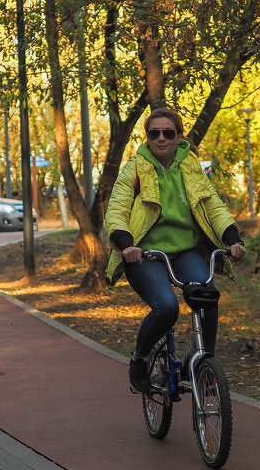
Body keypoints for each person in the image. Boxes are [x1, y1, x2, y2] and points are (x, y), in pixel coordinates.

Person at [105, 108, 247, 394]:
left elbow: (213, 206)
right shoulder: (134, 168)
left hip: (185, 252)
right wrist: (127, 245)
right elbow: (116, 212)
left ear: (179, 136)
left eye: (168, 133)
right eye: (153, 133)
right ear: (147, 137)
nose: (160, 138)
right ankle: (140, 360)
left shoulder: (191, 167)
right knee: (167, 307)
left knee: (207, 298)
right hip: (144, 254)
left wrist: (233, 239)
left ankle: (200, 365)